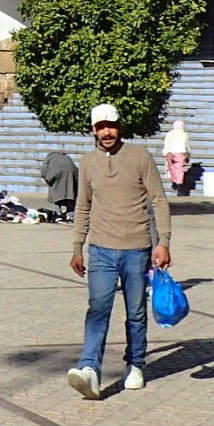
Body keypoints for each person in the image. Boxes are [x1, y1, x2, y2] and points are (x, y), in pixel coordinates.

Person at [68, 103, 173, 399]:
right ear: (93, 130)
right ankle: (90, 369)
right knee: (98, 309)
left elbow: (159, 200)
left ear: (120, 126)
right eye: (100, 127)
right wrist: (77, 247)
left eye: (110, 125)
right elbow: (83, 206)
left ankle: (136, 364)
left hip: (137, 248)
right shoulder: (88, 163)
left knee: (136, 313)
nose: (106, 132)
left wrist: (163, 241)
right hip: (100, 250)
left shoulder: (140, 157)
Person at [40, 149, 78, 220]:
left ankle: (57, 213)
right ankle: (71, 214)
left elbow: (43, 170)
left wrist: (47, 178)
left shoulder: (49, 157)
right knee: (70, 193)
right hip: (72, 174)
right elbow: (75, 169)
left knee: (55, 194)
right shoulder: (67, 157)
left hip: (56, 174)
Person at [163, 119, 191, 195]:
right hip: (181, 153)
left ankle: (174, 181)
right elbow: (187, 146)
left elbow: (167, 143)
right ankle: (179, 186)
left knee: (171, 168)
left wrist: (167, 152)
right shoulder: (184, 134)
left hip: (171, 153)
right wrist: (188, 155)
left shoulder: (170, 133)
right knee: (180, 170)